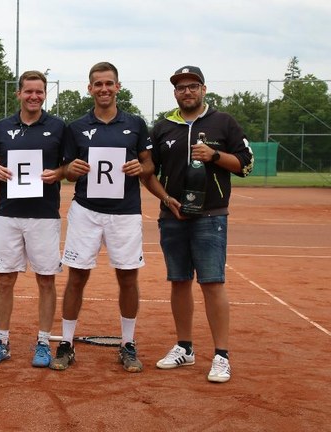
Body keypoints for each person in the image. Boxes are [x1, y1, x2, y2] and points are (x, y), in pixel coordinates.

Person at [144, 66, 254, 383]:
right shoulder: (163, 127)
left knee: (212, 282)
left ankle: (221, 355)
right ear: (175, 93)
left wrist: (215, 155)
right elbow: (149, 173)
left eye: (193, 86)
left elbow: (245, 165)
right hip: (173, 216)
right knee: (179, 281)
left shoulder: (224, 122)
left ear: (204, 89)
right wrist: (166, 200)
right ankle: (185, 347)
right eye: (181, 88)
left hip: (211, 216)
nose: (187, 92)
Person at [51, 62, 153, 373]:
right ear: (90, 88)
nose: (104, 89)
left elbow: (150, 166)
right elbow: (66, 169)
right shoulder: (77, 127)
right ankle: (66, 342)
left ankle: (128, 343)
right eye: (98, 84)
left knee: (127, 276)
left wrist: (140, 168)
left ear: (118, 86)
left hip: (124, 212)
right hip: (86, 211)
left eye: (109, 83)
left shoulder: (135, 124)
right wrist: (72, 170)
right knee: (77, 276)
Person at [0, 71, 66, 368]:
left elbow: (66, 167)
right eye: (28, 91)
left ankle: (43, 341)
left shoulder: (58, 127)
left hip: (44, 216)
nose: (34, 96)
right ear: (18, 94)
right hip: (8, 214)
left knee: (46, 280)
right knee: (5, 280)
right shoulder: (3, 126)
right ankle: (2, 340)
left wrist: (59, 174)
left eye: (39, 92)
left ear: (45, 94)